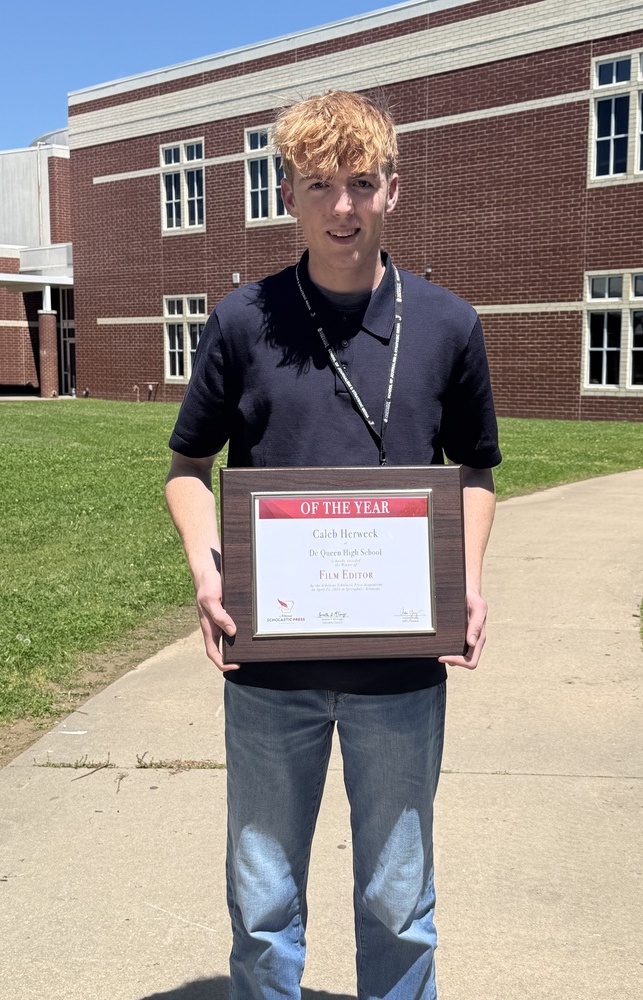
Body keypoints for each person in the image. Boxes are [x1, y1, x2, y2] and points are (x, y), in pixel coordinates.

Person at [165, 90, 501, 1000]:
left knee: (399, 905)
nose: (342, 207)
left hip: (399, 672)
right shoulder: (243, 320)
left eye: (362, 183)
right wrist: (207, 571)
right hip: (272, 670)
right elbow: (186, 465)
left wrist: (464, 581)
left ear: (394, 188)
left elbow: (475, 469)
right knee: (264, 902)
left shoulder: (447, 324)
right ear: (289, 193)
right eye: (320, 185)